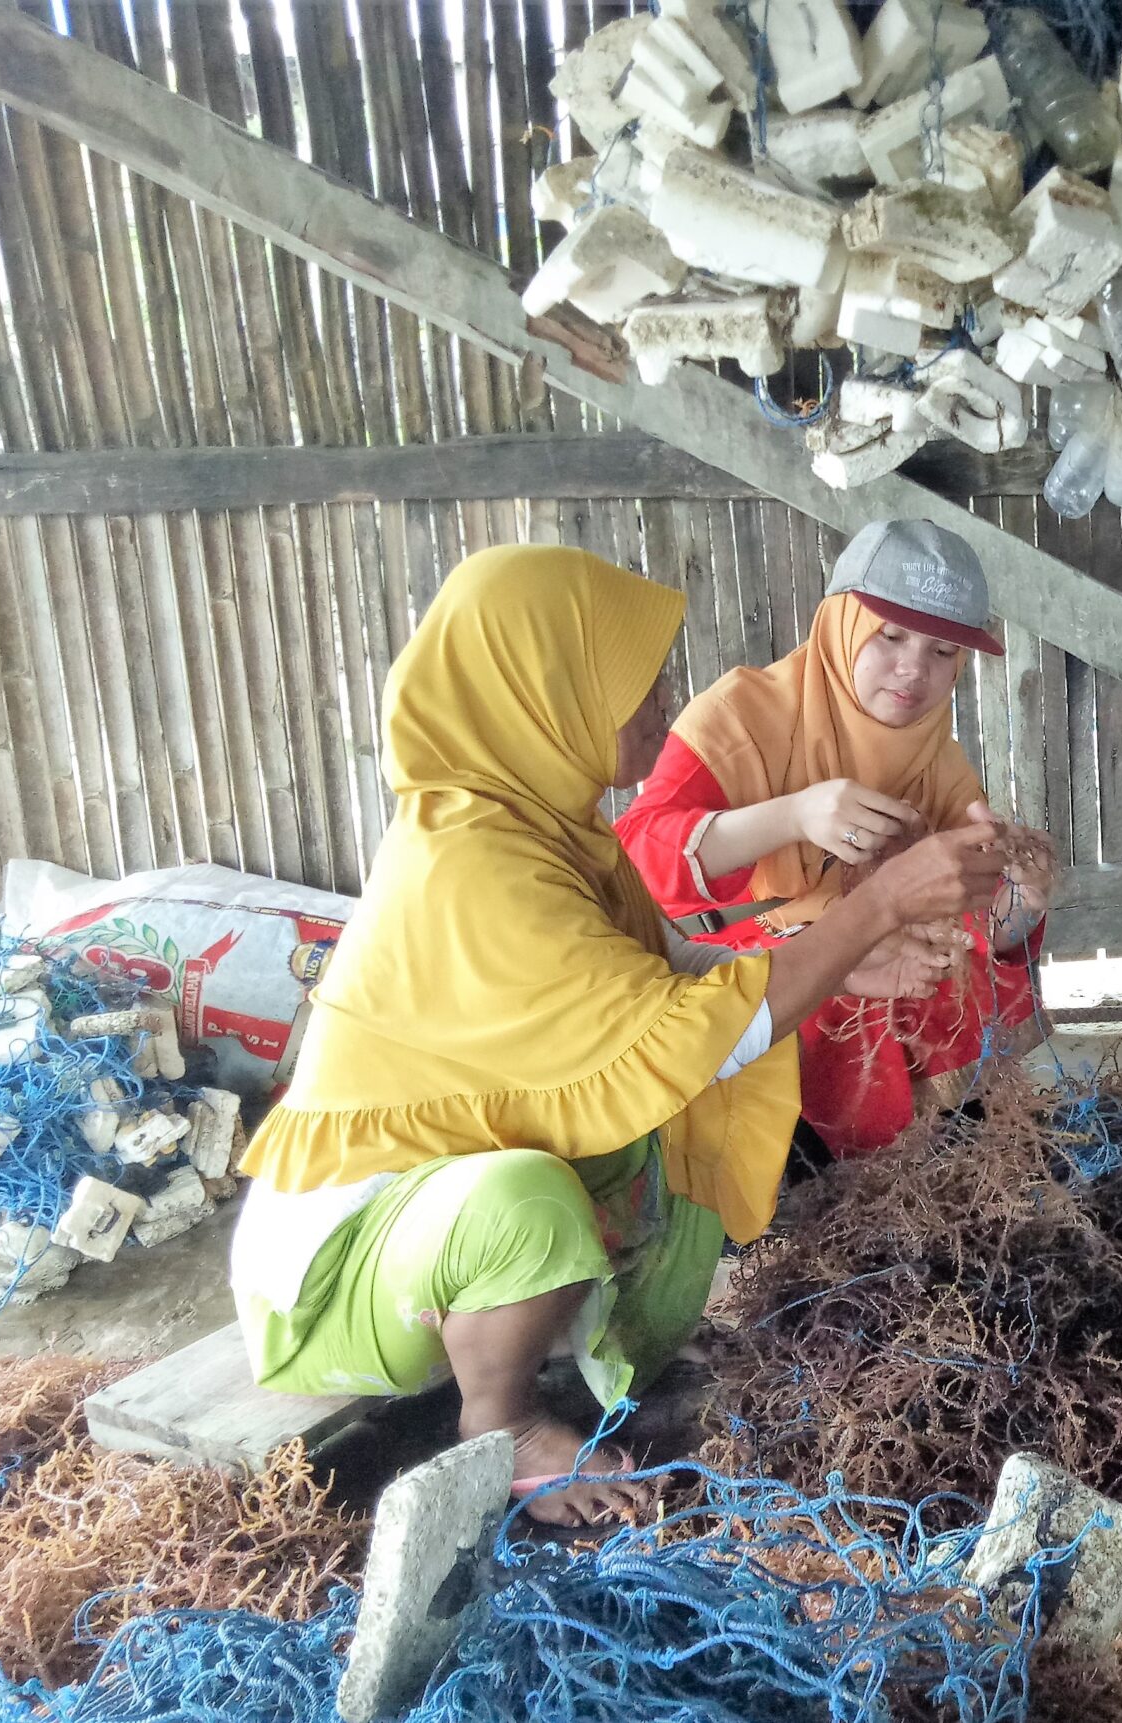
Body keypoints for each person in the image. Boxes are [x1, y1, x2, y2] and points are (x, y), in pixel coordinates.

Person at [230, 546, 1008, 1523]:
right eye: (638, 682)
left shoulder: (540, 832)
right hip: (334, 1278)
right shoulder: (470, 871)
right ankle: (500, 1422)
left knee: (673, 1131)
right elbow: (683, 1031)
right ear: (548, 692)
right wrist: (876, 903)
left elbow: (670, 981)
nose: (665, 701)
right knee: (530, 1196)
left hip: (426, 1232)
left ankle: (605, 1356)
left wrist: (848, 954)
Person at [617, 521, 1054, 1158]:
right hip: (735, 945)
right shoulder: (739, 718)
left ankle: (948, 1165)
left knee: (946, 969)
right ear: (841, 624)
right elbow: (635, 859)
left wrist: (1020, 904)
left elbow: (974, 912)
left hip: (875, 930)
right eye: (891, 636)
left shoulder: (933, 752)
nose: (914, 671)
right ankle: (811, 1175)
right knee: (838, 995)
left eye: (942, 652)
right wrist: (793, 816)